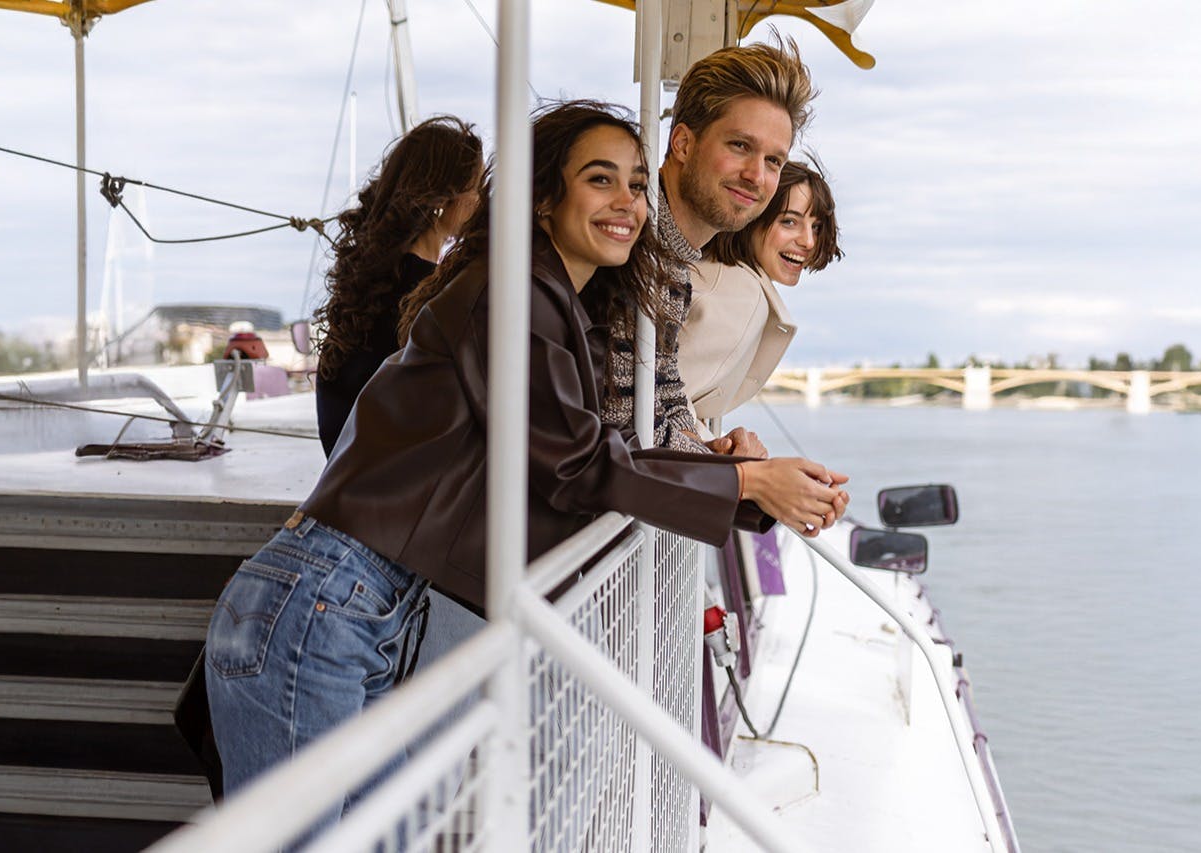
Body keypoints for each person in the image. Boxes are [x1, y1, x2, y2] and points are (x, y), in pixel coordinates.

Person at [204, 101, 849, 815]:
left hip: (363, 610)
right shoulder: (507, 297)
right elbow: (576, 467)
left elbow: (594, 449)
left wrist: (746, 486)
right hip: (326, 606)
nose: (628, 203)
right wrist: (746, 482)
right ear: (543, 200)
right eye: (600, 180)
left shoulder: (554, 305)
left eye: (637, 185)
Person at [600, 34, 815, 457]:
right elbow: (624, 421)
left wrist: (712, 450)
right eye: (740, 146)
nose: (757, 176)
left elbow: (662, 392)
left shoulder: (673, 255)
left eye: (774, 161)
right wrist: (745, 478)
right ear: (683, 143)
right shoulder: (634, 243)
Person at [313, 115, 483, 456]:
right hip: (404, 490)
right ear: (442, 199)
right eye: (475, 188)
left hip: (351, 482)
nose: (480, 201)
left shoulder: (370, 283)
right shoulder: (431, 293)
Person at [678, 159, 843, 428]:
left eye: (816, 226)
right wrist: (735, 465)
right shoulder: (740, 294)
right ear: (752, 219)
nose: (809, 241)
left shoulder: (717, 272)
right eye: (789, 222)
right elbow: (656, 404)